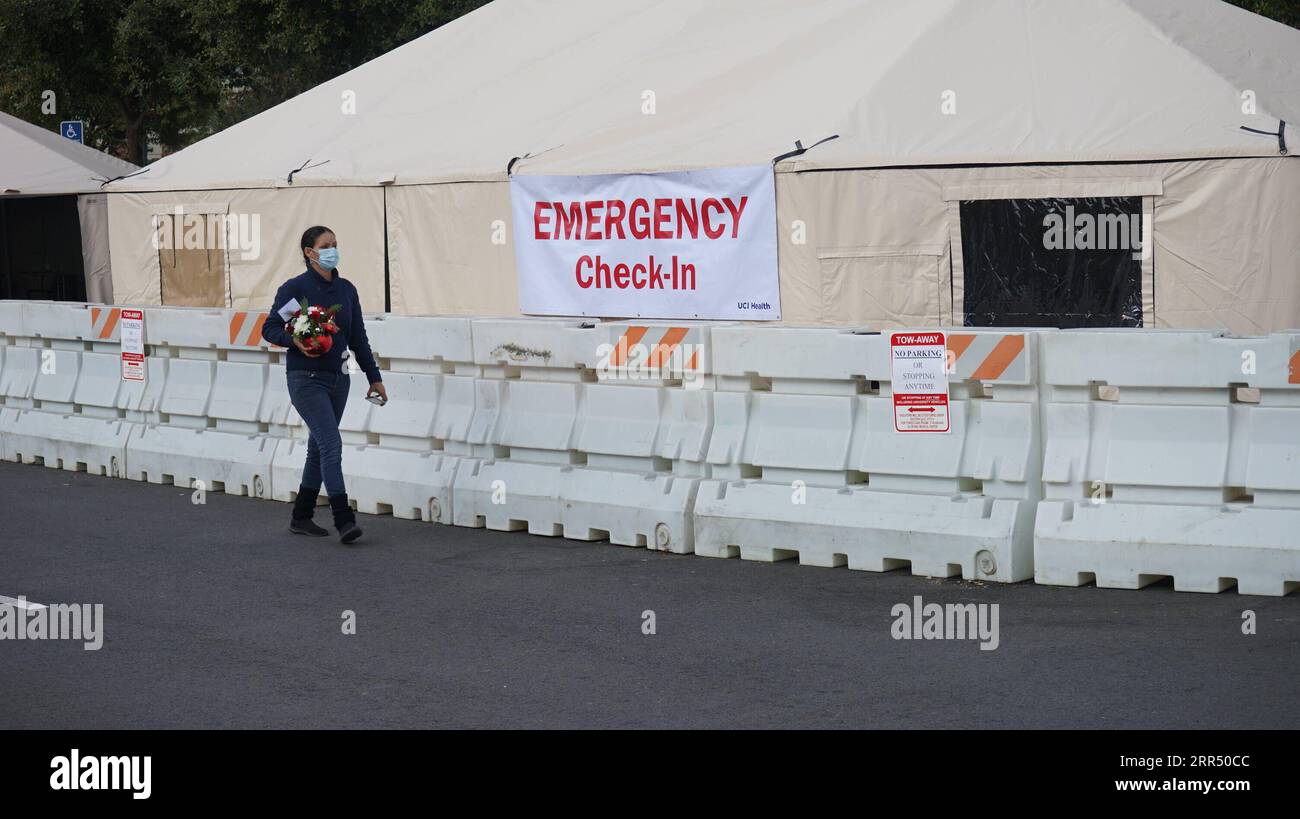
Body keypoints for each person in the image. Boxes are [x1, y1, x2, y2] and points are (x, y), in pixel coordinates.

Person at [262, 226, 387, 543]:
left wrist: (374, 377)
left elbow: (358, 337)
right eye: (325, 245)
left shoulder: (346, 290)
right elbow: (270, 328)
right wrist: (294, 340)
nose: (332, 250)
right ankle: (344, 519)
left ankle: (301, 516)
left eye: (335, 244)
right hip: (305, 379)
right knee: (332, 444)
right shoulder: (295, 289)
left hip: (339, 379)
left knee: (318, 448)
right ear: (309, 252)